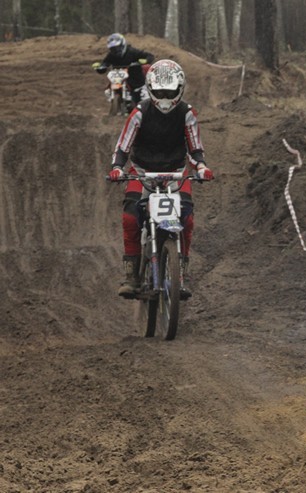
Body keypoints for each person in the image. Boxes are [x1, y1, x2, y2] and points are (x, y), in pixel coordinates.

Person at [107, 59, 214, 299]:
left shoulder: (187, 113)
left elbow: (196, 148)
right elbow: (123, 146)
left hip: (176, 171)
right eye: (160, 92)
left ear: (180, 88)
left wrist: (202, 167)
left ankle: (181, 273)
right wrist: (116, 167)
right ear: (150, 89)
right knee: (130, 217)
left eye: (169, 92)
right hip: (142, 170)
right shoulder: (139, 112)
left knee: (186, 218)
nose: (165, 97)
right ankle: (132, 274)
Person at [95, 33, 155, 104]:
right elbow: (105, 63)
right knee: (107, 91)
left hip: (136, 79)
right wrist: (100, 67)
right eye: (113, 49)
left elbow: (150, 56)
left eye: (117, 48)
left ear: (122, 45)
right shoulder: (111, 55)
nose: (115, 51)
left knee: (145, 98)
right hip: (118, 79)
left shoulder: (132, 52)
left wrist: (145, 60)